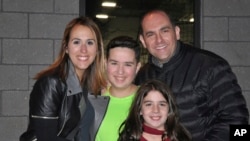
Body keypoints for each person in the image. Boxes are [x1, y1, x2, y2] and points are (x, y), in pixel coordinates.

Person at [134, 9, 249, 141]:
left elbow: (239, 123)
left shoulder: (210, 66)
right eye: (150, 35)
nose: (159, 40)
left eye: (165, 31)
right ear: (143, 41)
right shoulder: (142, 77)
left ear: (177, 32)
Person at [19, 16, 107, 141]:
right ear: (66, 48)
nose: (83, 49)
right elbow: (45, 138)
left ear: (97, 49)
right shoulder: (50, 84)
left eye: (90, 42)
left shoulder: (89, 86)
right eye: (76, 42)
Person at [92, 35, 141, 141]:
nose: (120, 71)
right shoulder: (93, 99)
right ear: (106, 64)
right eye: (114, 63)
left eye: (128, 65)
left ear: (137, 67)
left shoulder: (148, 99)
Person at [118, 79, 191, 141]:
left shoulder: (180, 138)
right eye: (149, 104)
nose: (156, 110)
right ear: (139, 109)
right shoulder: (128, 138)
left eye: (162, 104)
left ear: (169, 109)